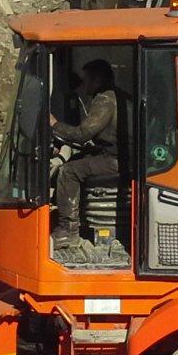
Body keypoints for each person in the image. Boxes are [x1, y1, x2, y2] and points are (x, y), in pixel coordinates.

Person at [49, 59, 120, 260]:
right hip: (113, 154)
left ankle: (68, 231)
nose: (84, 83)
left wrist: (54, 124)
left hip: (115, 160)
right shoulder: (113, 97)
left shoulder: (105, 100)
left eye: (87, 79)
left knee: (68, 172)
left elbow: (83, 133)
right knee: (78, 159)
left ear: (97, 79)